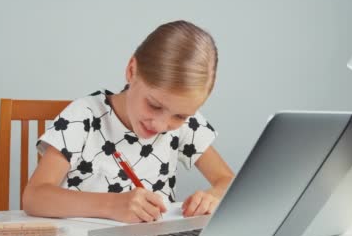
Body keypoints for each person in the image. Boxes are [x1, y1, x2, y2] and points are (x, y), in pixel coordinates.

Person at [23, 20, 234, 223]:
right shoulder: (84, 116)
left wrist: (214, 196)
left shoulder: (186, 125)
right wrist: (111, 205)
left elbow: (228, 180)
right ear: (132, 71)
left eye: (179, 116)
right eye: (154, 105)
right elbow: (34, 197)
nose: (161, 125)